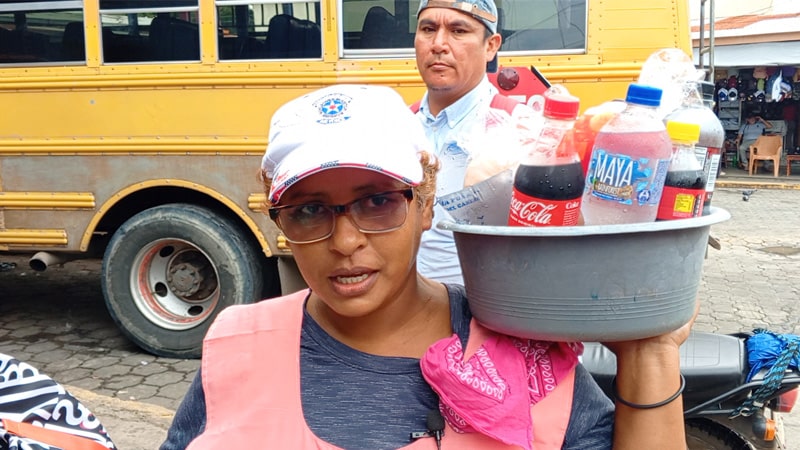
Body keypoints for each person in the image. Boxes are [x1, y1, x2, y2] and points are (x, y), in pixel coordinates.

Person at [160, 84, 694, 450]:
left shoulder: (523, 350)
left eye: (377, 202)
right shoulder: (239, 344)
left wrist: (651, 350)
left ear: (426, 202)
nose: (345, 242)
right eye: (308, 210)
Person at [413, 0, 533, 284]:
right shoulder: (399, 126)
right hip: (403, 314)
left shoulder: (521, 129)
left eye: (458, 31)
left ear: (491, 46)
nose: (439, 44)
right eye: (428, 29)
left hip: (484, 311)